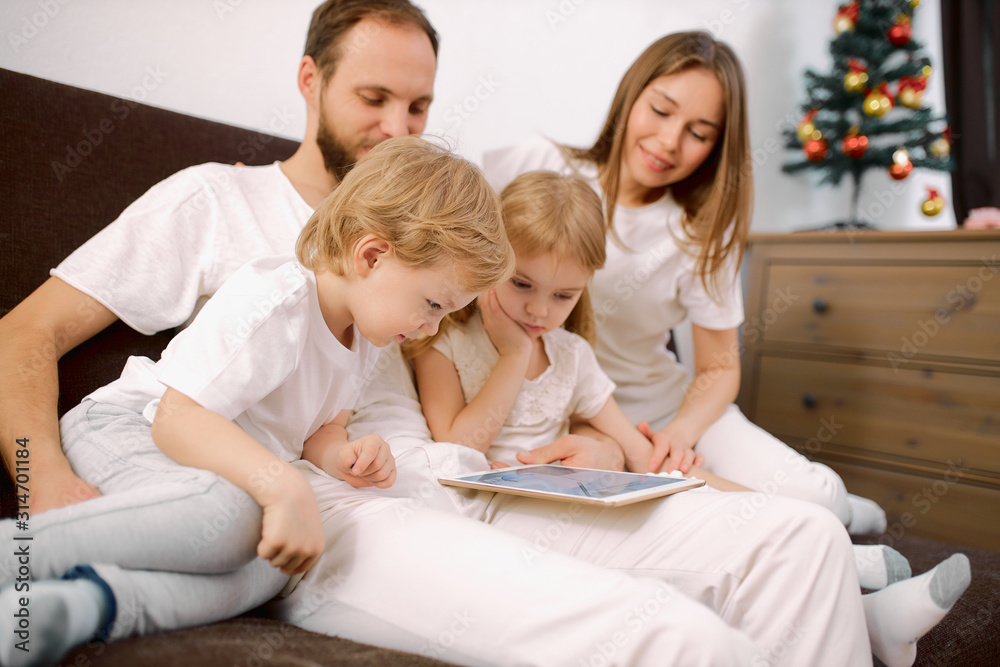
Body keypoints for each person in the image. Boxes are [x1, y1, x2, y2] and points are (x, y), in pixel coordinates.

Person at [0, 5, 950, 664]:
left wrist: (574, 435)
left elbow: (532, 322)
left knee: (801, 543)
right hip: (337, 502)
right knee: (675, 639)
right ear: (309, 79)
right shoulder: (223, 206)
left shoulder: (444, 228)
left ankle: (851, 584)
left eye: (418, 107)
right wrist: (56, 498)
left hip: (464, 470)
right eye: (374, 99)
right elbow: (27, 335)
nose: (398, 127)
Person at [478, 31, 970, 667]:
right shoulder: (536, 163)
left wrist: (679, 435)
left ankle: (847, 507)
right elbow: (428, 200)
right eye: (660, 111)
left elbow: (716, 367)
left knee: (816, 499)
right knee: (712, 525)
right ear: (631, 97)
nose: (669, 142)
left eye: (700, 131)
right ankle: (870, 606)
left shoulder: (698, 229)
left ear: (718, 144)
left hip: (663, 402)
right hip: (575, 400)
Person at [0, 136, 512, 665]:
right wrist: (282, 483)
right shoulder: (279, 302)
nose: (432, 326)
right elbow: (176, 419)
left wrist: (344, 457)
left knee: (281, 560)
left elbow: (321, 430)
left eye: (445, 315)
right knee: (235, 513)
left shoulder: (365, 337)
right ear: (372, 255)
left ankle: (78, 606)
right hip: (131, 427)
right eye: (432, 304)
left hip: (210, 468)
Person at [410, 169, 745, 493]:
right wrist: (515, 356)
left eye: (563, 296)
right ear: (492, 257)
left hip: (563, 508)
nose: (539, 310)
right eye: (522, 283)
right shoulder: (443, 341)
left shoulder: (571, 355)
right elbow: (458, 450)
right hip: (485, 508)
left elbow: (641, 455)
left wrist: (747, 501)